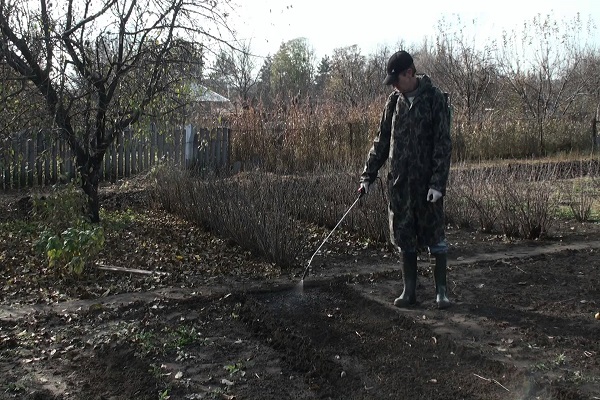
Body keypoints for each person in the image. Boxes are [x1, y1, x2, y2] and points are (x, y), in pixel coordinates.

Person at [358, 50, 452, 309]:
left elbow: (443, 144)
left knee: (435, 235)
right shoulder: (393, 103)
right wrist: (368, 175)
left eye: (397, 79)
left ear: (409, 73)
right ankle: (409, 292)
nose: (395, 85)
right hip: (400, 184)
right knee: (404, 236)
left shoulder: (434, 99)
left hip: (427, 186)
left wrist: (437, 183)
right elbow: (382, 141)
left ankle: (441, 292)